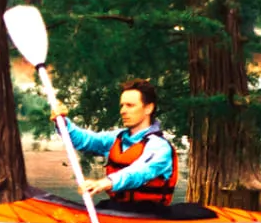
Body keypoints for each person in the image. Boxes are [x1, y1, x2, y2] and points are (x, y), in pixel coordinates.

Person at [50, 78, 179, 213]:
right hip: (117, 208)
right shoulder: (117, 138)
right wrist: (63, 123)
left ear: (148, 108)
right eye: (122, 105)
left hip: (148, 213)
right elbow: (86, 140)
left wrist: (104, 183)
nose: (123, 111)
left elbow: (139, 172)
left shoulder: (159, 147)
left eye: (130, 105)